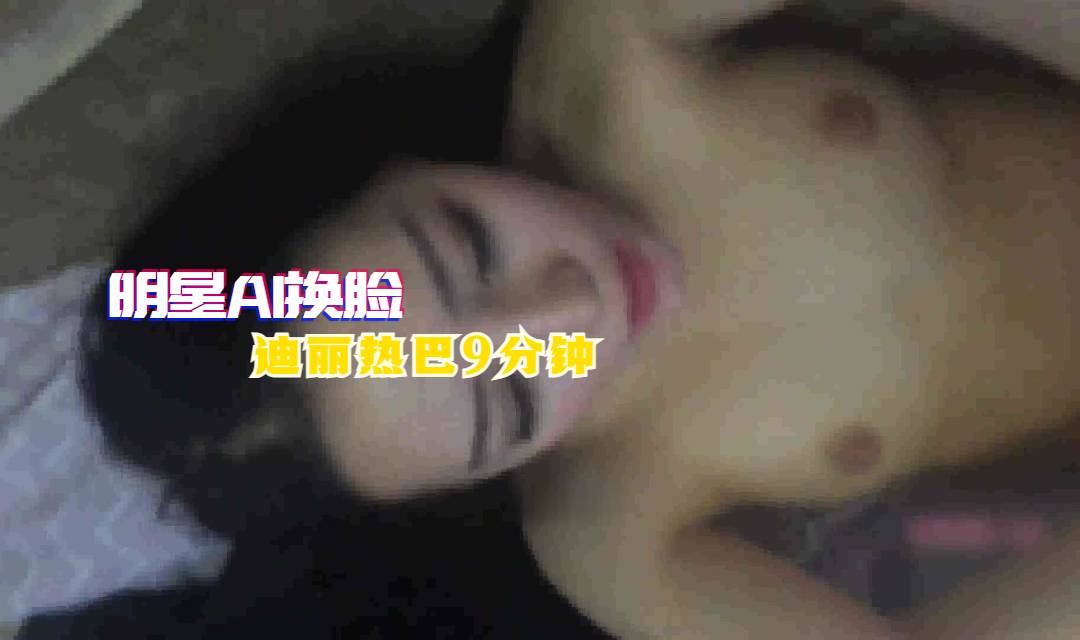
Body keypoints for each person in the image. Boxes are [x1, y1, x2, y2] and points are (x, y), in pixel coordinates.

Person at [506, 0, 1080, 637]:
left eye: (471, 242)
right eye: (501, 389)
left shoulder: (610, 59)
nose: (567, 310)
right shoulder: (610, 530)